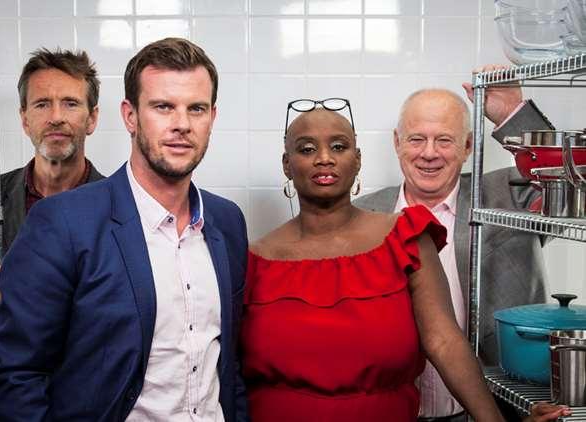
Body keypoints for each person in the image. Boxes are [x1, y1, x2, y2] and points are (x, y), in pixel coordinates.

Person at [239, 100, 570, 422]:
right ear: (287, 164)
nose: (324, 158)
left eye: (338, 146)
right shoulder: (253, 258)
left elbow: (443, 340)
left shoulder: (408, 232)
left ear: (357, 160)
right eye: (307, 149)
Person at [0, 37, 248, 421]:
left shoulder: (227, 222)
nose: (182, 124)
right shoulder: (63, 222)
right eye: (162, 107)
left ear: (213, 117)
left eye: (197, 109)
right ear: (130, 116)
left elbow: (228, 363)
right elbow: (15, 375)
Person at [354, 78, 557, 420]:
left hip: (495, 408)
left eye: (444, 140)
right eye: (417, 139)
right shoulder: (362, 216)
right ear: (397, 143)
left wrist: (512, 115)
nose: (429, 153)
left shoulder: (505, 196)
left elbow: (574, 180)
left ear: (466, 146)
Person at [0, 48, 105, 422]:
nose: (56, 118)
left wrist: (12, 301)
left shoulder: (118, 207)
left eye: (70, 103)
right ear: (24, 118)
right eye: (42, 104)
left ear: (92, 118)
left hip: (82, 398)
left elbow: (117, 329)